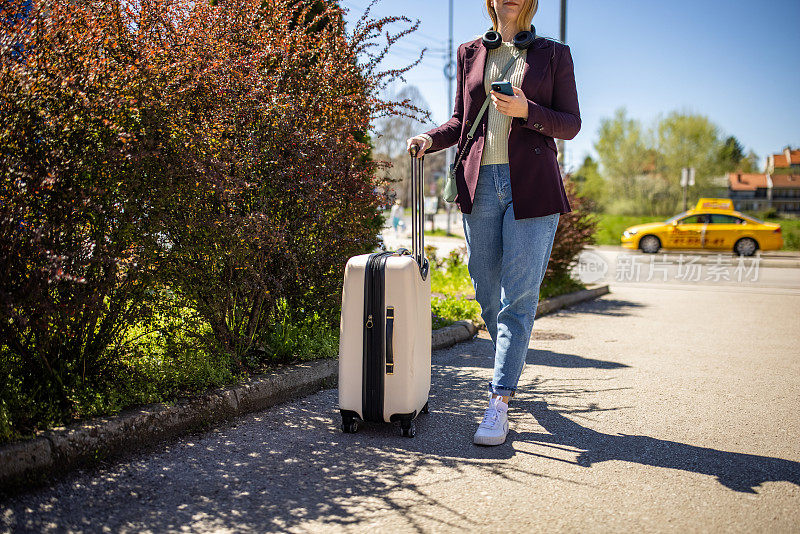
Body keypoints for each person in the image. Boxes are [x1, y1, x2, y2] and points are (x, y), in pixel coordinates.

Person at [406, 0, 580, 446]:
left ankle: (499, 400)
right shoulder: (470, 52)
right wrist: (430, 138)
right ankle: (511, 360)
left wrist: (529, 112)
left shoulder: (554, 54)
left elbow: (571, 123)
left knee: (517, 298)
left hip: (533, 186)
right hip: (480, 184)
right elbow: (462, 122)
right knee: (485, 288)